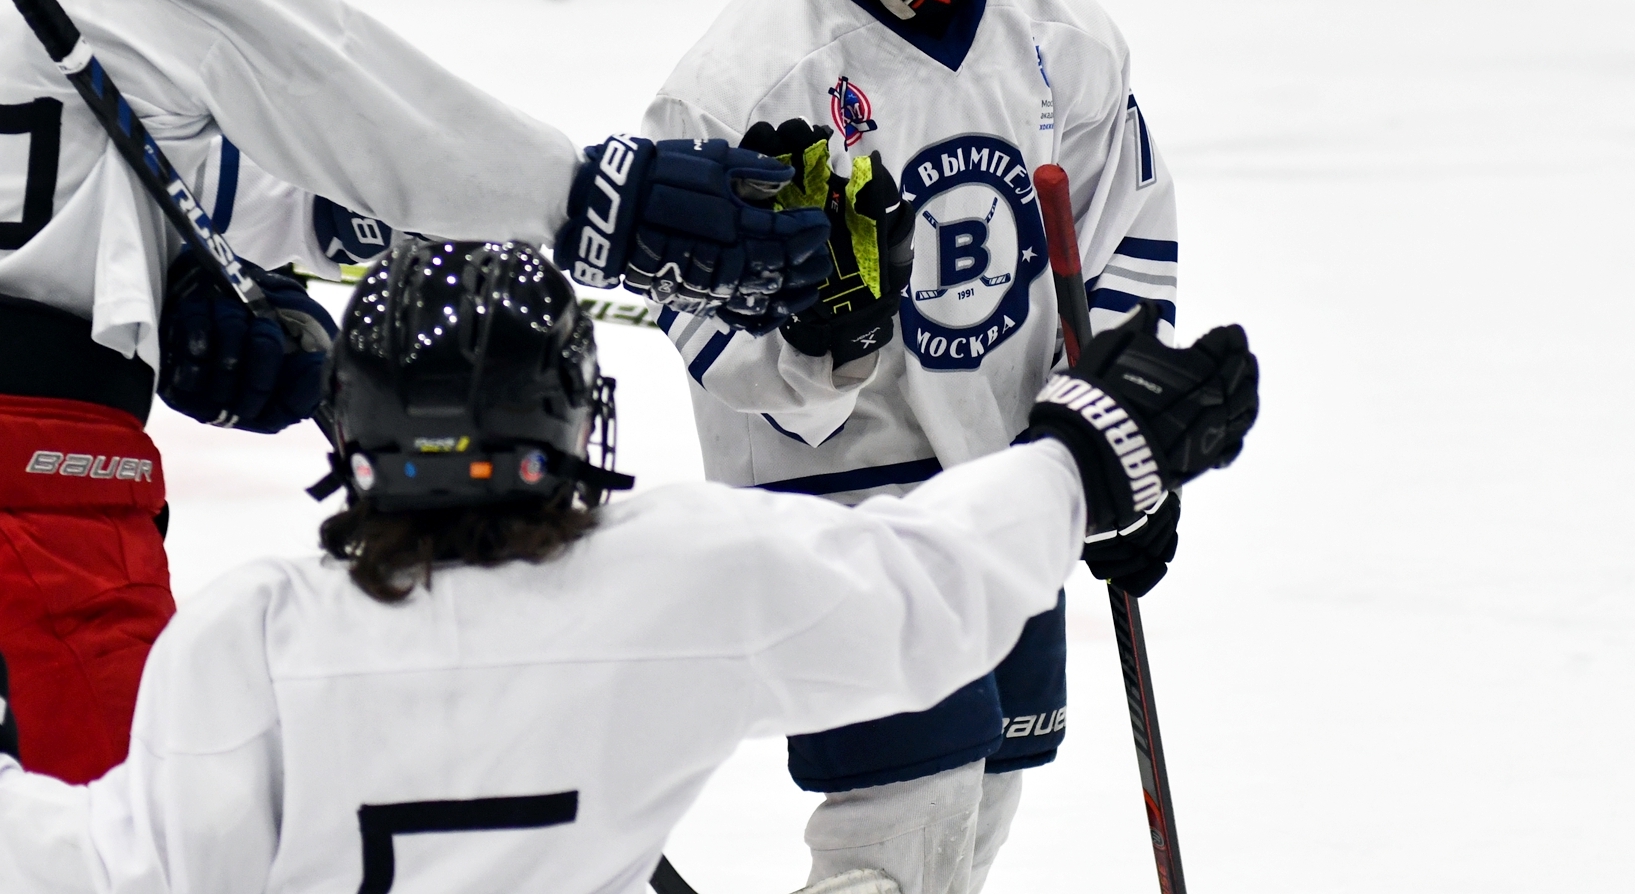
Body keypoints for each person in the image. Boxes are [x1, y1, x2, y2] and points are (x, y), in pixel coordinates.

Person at [0, 0, 828, 786]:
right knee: (104, 846)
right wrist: (609, 201)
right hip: (47, 513)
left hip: (55, 472)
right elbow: (401, 139)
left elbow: (168, 171)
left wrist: (195, 276)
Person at [0, 238, 1259, 893]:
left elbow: (120, 871)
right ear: (569, 415)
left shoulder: (252, 637)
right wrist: (1080, 457)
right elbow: (916, 590)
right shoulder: (667, 577)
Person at [642, 0, 1190, 894]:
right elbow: (695, 312)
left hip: (1009, 480)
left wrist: (1118, 443)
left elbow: (1123, 249)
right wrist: (811, 345)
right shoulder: (750, 73)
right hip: (848, 501)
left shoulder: (1064, 37)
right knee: (901, 829)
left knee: (983, 801)